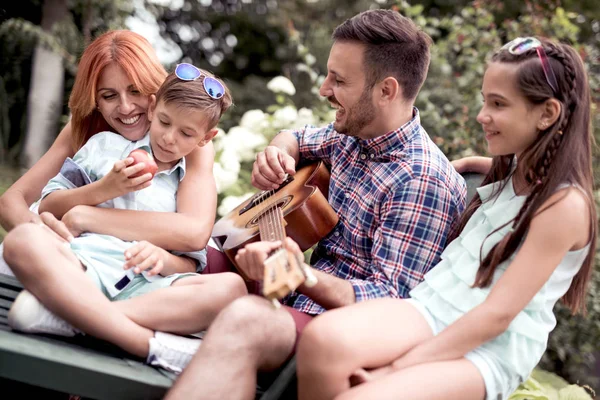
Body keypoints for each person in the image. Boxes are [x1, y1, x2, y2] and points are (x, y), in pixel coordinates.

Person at [165, 9, 466, 399]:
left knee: (246, 319)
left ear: (386, 91)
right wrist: (276, 153)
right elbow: (296, 137)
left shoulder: (422, 180)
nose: (324, 89)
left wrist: (299, 273)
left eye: (339, 80)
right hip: (289, 294)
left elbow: (392, 305)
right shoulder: (355, 132)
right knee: (186, 250)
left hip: (334, 333)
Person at [295, 37, 596, 400]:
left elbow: (496, 317)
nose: (482, 115)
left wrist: (396, 367)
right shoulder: (518, 170)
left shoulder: (564, 207)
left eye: (498, 104)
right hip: (432, 308)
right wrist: (466, 164)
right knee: (321, 340)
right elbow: (509, 177)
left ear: (547, 114)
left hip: (487, 348)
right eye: (485, 100)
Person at [4, 64, 247, 374]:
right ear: (153, 105)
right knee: (22, 239)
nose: (170, 139)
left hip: (151, 288)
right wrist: (103, 188)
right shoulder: (102, 147)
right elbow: (48, 206)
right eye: (164, 122)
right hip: (84, 268)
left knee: (231, 289)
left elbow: (190, 261)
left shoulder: (188, 179)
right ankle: (146, 344)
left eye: (186, 133)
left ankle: (74, 317)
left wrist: (162, 257)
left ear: (206, 138)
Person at [0, 29, 230, 277]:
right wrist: (41, 235)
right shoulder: (89, 131)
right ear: (95, 101)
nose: (126, 107)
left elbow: (194, 231)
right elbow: (12, 201)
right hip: (65, 248)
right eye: (109, 96)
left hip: (119, 266)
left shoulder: (187, 140)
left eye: (135, 91)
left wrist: (86, 216)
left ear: (153, 94)